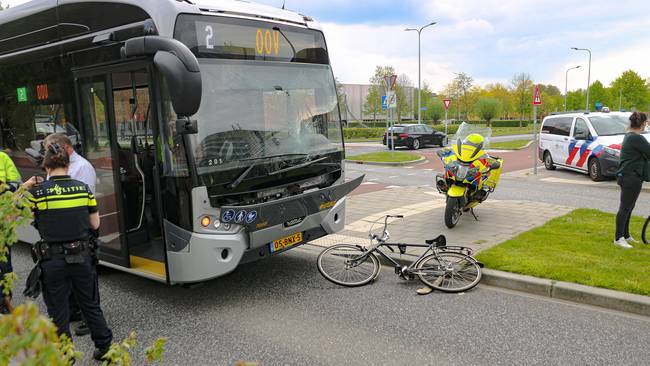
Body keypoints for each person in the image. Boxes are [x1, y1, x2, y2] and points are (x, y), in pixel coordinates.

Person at [22, 143, 112, 360]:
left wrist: (26, 185)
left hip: (52, 260)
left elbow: (10, 209)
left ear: (46, 167)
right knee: (90, 306)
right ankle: (105, 349)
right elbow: (94, 223)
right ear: (66, 164)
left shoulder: (38, 192)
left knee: (58, 311)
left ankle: (66, 355)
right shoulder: (83, 189)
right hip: (82, 257)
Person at [43, 133, 96, 335]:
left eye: (49, 148)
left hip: (80, 232)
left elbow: (87, 203)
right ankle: (74, 311)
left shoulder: (82, 167)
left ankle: (87, 319)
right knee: (71, 279)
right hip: (63, 233)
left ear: (63, 148)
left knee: (87, 284)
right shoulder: (55, 166)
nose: (47, 152)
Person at [614, 111, 650, 249]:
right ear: (642, 124)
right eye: (646, 123)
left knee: (629, 206)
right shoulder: (636, 138)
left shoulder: (630, 135)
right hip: (631, 177)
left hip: (629, 176)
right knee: (625, 207)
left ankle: (626, 235)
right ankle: (618, 238)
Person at [0, 150, 21, 315]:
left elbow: (16, 182)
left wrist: (3, 190)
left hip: (3, 222)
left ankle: (5, 301)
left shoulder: (3, 158)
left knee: (5, 265)